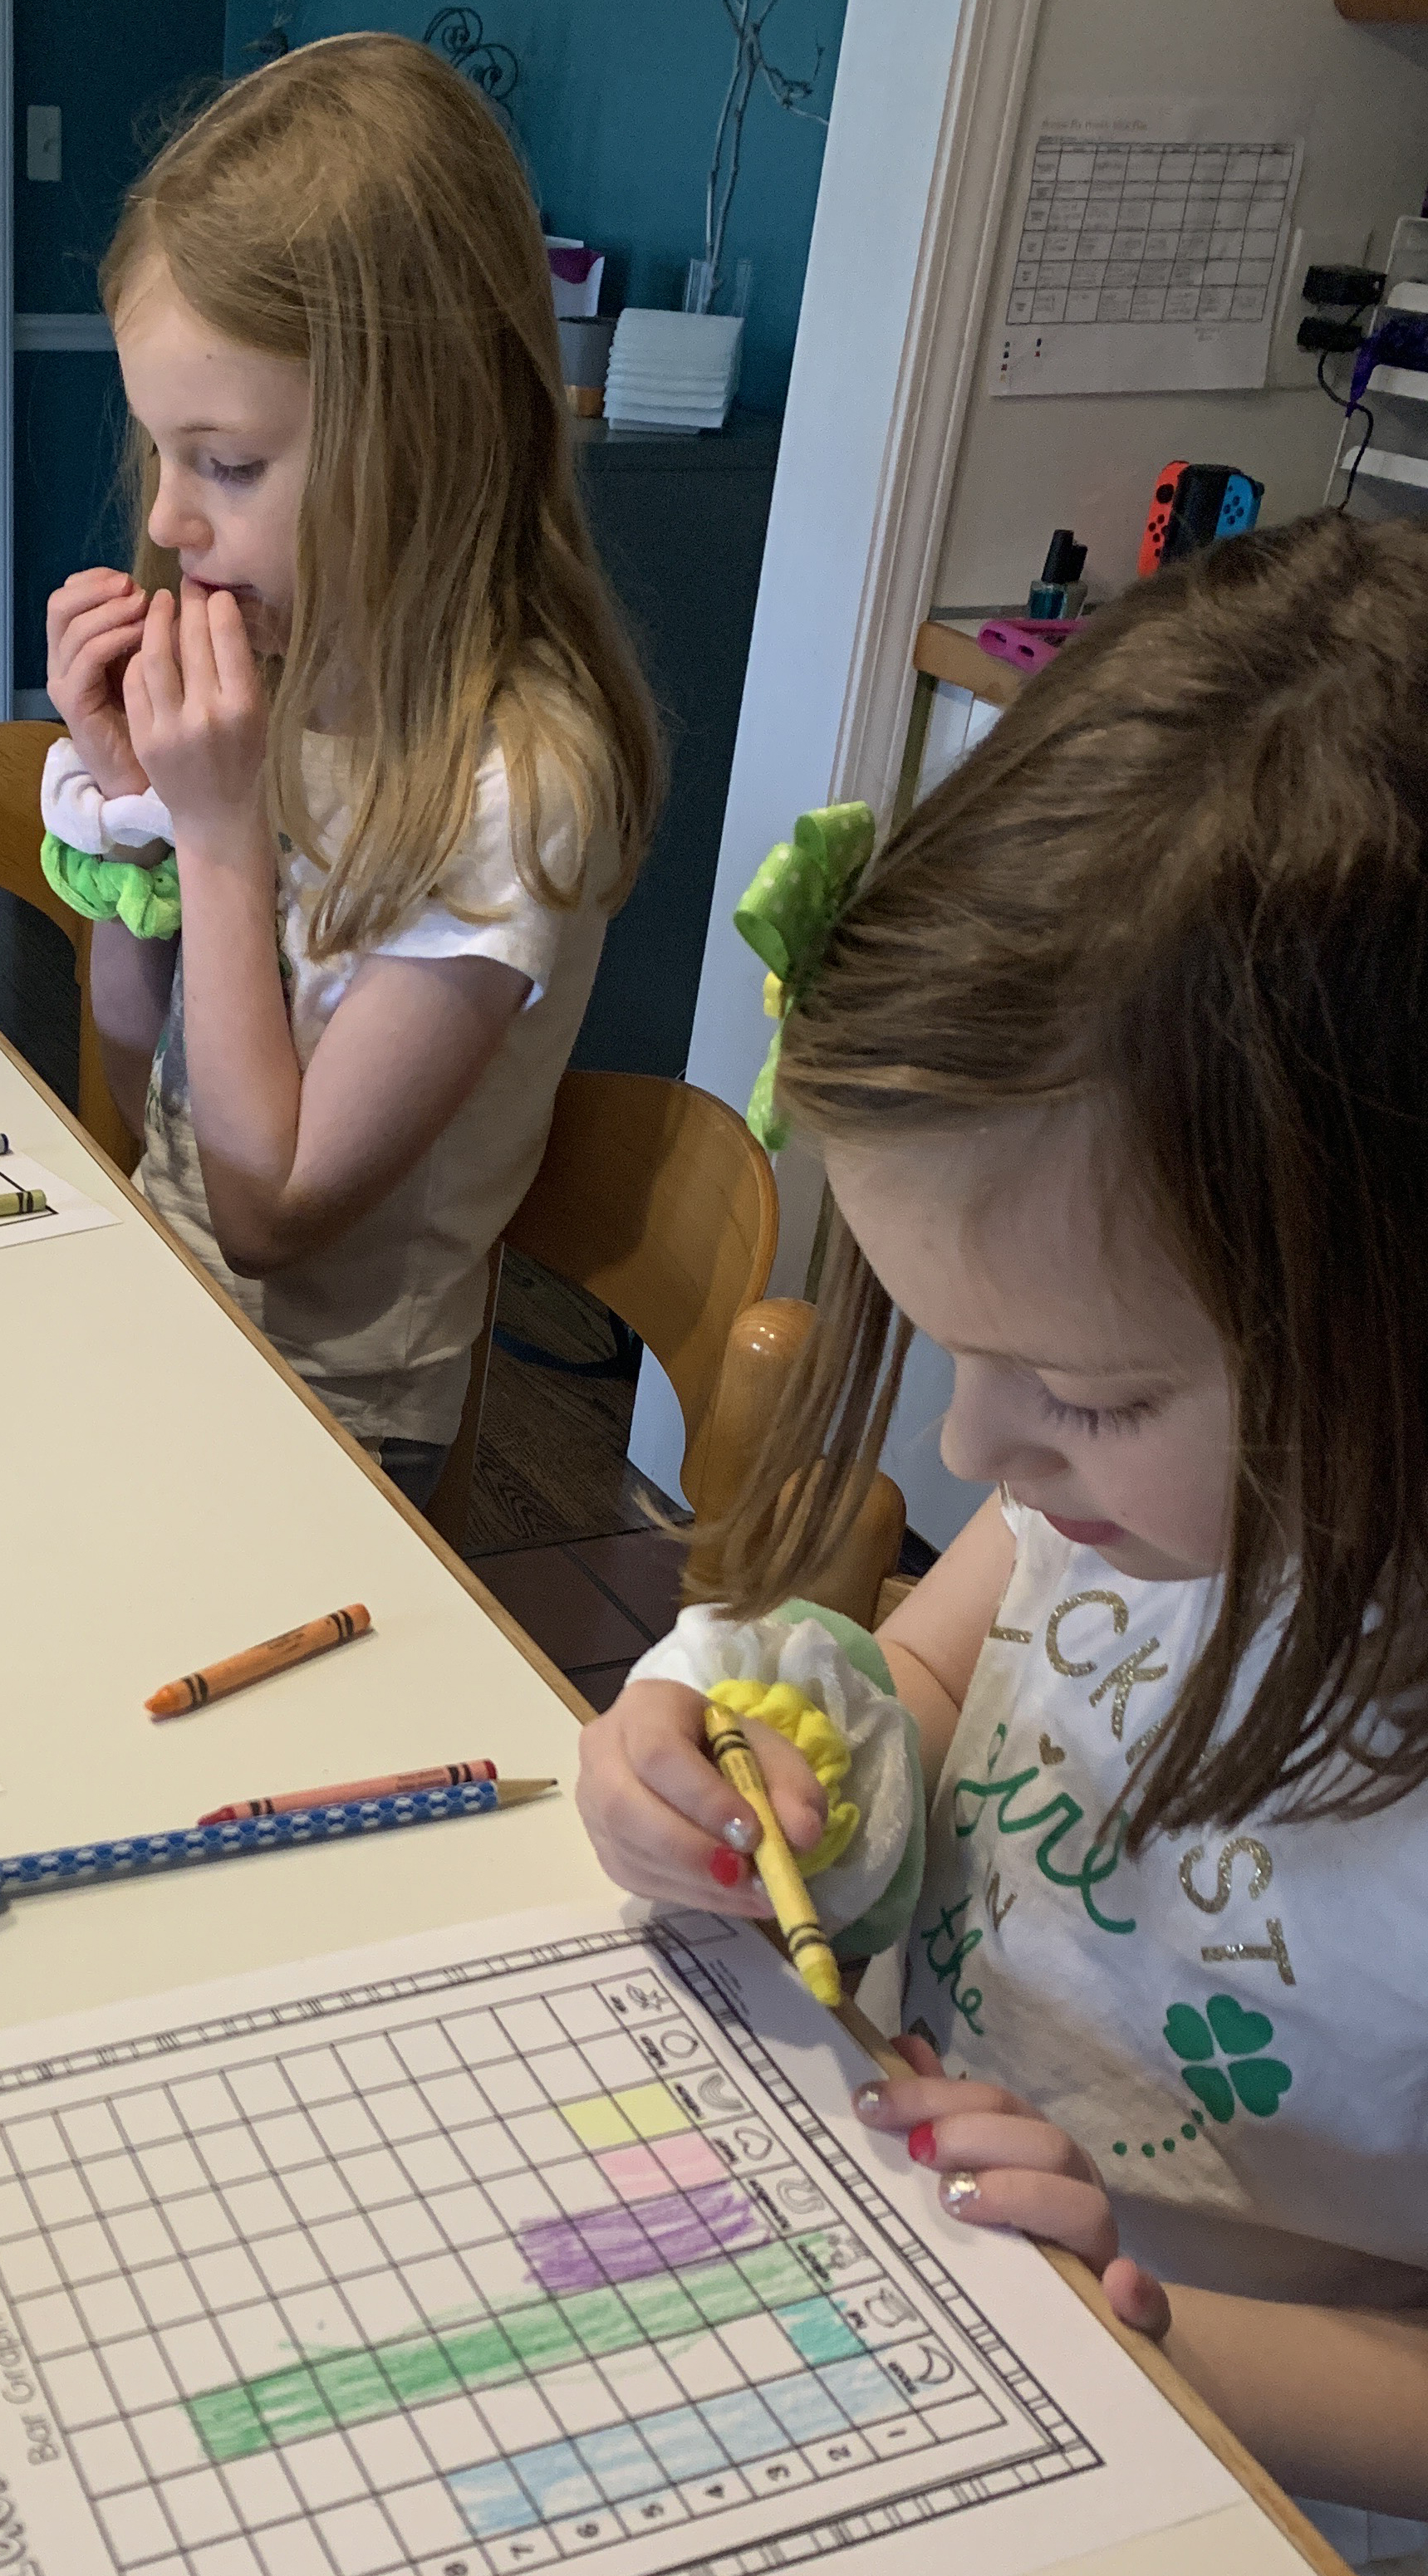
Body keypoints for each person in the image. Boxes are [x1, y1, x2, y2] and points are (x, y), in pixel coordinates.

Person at [576, 512, 1428, 2557]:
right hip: (924, 2321)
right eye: (962, 1359)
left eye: (1094, 1394)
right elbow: (933, 1682)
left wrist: (1144, 2332)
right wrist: (772, 1785)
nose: (975, 1450)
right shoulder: (1105, 1509)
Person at [37, 32, 660, 1506]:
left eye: (229, 464)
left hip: (338, 1431)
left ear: (423, 440)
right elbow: (149, 1090)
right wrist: (131, 808)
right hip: (168, 1320)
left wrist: (218, 830)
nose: (173, 520)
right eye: (160, 452)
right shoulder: (283, 678)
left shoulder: (517, 783)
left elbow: (268, 1210)